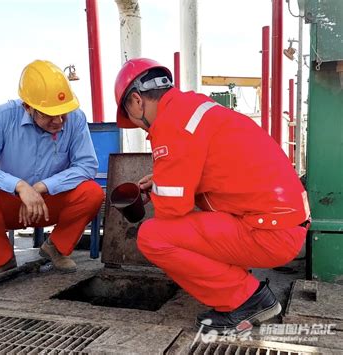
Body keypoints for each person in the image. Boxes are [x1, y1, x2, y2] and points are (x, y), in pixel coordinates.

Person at [113, 58, 310, 333]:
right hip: (283, 224)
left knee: (152, 236)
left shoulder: (170, 123)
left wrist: (156, 193)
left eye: (134, 120)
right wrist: (161, 181)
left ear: (136, 101)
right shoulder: (192, 109)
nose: (142, 128)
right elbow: (215, 169)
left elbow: (172, 208)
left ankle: (249, 299)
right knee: (197, 219)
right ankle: (241, 285)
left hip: (271, 233)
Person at [0, 60, 104, 281]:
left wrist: (41, 188)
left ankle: (56, 247)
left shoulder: (76, 119)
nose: (59, 121)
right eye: (49, 115)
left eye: (63, 113)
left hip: (48, 202)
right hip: (9, 203)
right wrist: (18, 187)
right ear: (27, 106)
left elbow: (87, 165)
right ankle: (1, 260)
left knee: (92, 193)